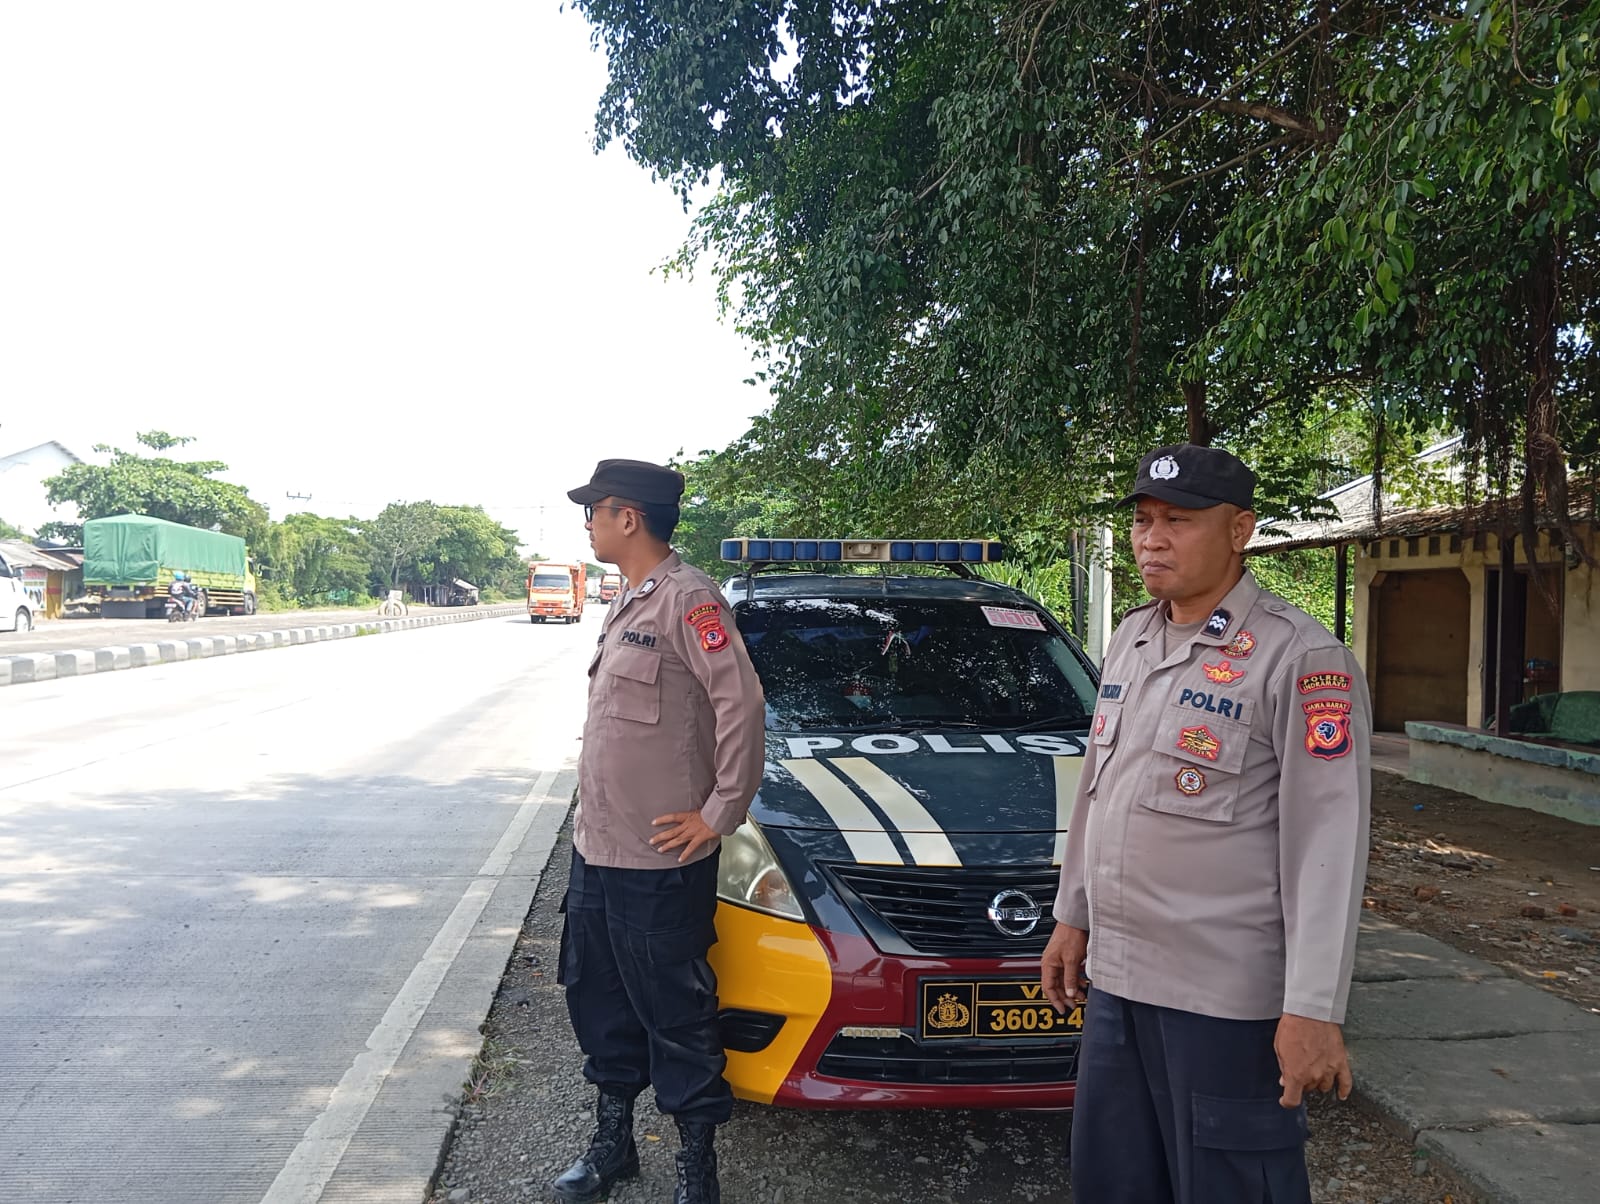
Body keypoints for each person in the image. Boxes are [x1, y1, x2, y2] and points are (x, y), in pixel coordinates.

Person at [1041, 443, 1372, 1204]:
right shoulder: (1131, 639)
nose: (1152, 539)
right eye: (1143, 521)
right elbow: (1100, 790)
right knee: (1115, 1181)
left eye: (1179, 521)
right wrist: (1072, 915)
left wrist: (1313, 1008)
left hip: (1221, 1000)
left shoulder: (1300, 658)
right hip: (1118, 983)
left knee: (1230, 1185)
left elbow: (1329, 844)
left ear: (1239, 530)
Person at [552, 458, 766, 1204]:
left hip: (660, 860)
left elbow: (741, 703)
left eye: (595, 510)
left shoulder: (688, 598)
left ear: (629, 517)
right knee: (598, 999)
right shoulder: (627, 599)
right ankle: (613, 1145)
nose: (588, 523)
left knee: (677, 1012)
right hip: (597, 848)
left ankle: (696, 1167)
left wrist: (720, 811)